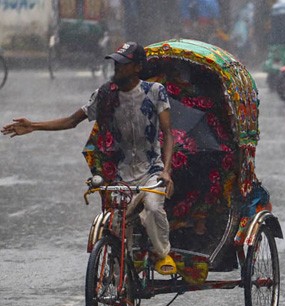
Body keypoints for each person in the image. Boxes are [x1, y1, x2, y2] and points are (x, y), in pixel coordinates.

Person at [2, 42, 176, 277]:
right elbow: (71, 121)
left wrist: (166, 171)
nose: (117, 68)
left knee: (154, 208)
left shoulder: (155, 92)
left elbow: (167, 134)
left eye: (123, 64)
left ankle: (163, 253)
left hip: (152, 170)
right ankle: (118, 289)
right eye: (115, 63)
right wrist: (33, 126)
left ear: (136, 67)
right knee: (115, 228)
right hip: (121, 173)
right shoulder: (105, 95)